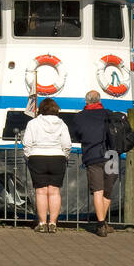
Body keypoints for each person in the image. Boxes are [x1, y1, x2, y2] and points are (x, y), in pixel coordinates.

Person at [22, 97, 72, 233]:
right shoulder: (62, 124)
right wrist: (64, 156)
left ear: (41, 109)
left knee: (41, 191)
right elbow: (67, 144)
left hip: (37, 157)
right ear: (56, 109)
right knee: (54, 192)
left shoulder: (32, 123)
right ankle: (53, 223)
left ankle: (42, 223)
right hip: (57, 157)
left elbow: (27, 143)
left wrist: (29, 155)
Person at [69, 89, 115, 235]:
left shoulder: (79, 117)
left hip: (93, 156)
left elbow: (76, 135)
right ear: (99, 100)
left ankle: (101, 224)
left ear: (86, 101)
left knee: (97, 190)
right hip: (112, 155)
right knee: (108, 191)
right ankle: (103, 222)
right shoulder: (109, 114)